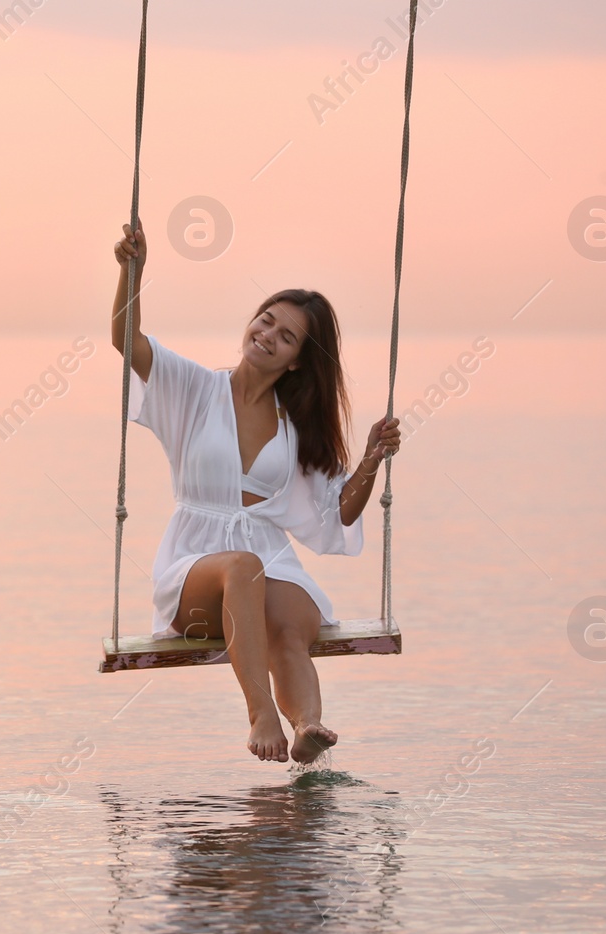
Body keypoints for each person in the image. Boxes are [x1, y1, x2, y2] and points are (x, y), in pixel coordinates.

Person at [112, 221, 401, 764]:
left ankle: (309, 727)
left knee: (290, 628)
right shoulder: (197, 388)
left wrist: (371, 459)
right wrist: (133, 273)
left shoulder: (298, 427)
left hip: (272, 559)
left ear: (296, 360)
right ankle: (260, 712)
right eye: (266, 321)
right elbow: (126, 341)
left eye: (285, 336)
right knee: (242, 567)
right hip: (195, 566)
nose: (267, 335)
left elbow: (339, 512)